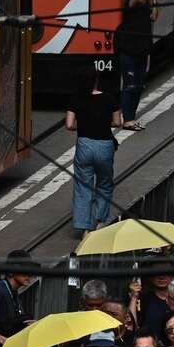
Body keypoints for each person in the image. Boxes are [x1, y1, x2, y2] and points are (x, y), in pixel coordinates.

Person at [66, 66, 123, 235]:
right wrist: (103, 122)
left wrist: (82, 124)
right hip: (104, 146)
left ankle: (85, 227)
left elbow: (69, 125)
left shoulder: (75, 100)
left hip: (84, 145)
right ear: (96, 80)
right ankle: (100, 221)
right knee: (104, 184)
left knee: (83, 186)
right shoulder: (109, 99)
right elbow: (118, 122)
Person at [114, 0, 164, 131]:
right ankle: (127, 119)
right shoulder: (129, 7)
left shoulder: (144, 9)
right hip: (127, 52)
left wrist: (156, 1)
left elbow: (153, 18)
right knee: (128, 85)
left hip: (142, 52)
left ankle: (132, 118)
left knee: (138, 86)